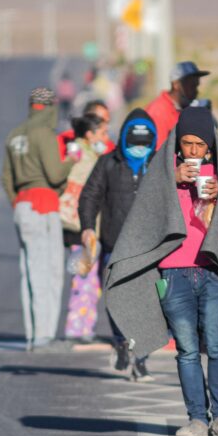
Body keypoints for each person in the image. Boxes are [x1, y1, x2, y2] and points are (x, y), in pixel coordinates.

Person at [105, 108, 218, 436]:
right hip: (173, 274)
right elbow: (146, 219)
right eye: (187, 144)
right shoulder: (163, 172)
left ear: (210, 144)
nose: (194, 151)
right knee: (185, 348)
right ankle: (196, 418)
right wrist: (174, 182)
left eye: (200, 144)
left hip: (214, 274)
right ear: (178, 144)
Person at [79, 108, 159, 381]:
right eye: (134, 144)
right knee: (115, 301)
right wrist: (88, 226)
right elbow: (89, 196)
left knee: (150, 305)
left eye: (144, 144)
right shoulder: (108, 163)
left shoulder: (161, 166)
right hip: (115, 245)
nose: (139, 149)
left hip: (151, 250)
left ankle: (142, 359)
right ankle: (121, 341)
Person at [2, 87, 76, 351]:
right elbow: (55, 174)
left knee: (29, 271)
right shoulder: (43, 133)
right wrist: (71, 160)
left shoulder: (14, 135)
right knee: (50, 270)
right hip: (43, 205)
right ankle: (45, 336)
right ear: (50, 108)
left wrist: (17, 201)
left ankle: (33, 334)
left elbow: (7, 178)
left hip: (22, 205)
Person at [59, 113, 110, 343]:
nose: (106, 137)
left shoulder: (89, 152)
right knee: (84, 278)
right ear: (89, 134)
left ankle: (83, 324)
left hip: (86, 226)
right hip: (81, 227)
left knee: (88, 278)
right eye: (102, 132)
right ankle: (78, 327)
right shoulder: (79, 152)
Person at [145, 61, 210, 149]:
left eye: (196, 86)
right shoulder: (159, 111)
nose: (196, 91)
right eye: (191, 86)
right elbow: (158, 153)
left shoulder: (184, 109)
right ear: (176, 85)